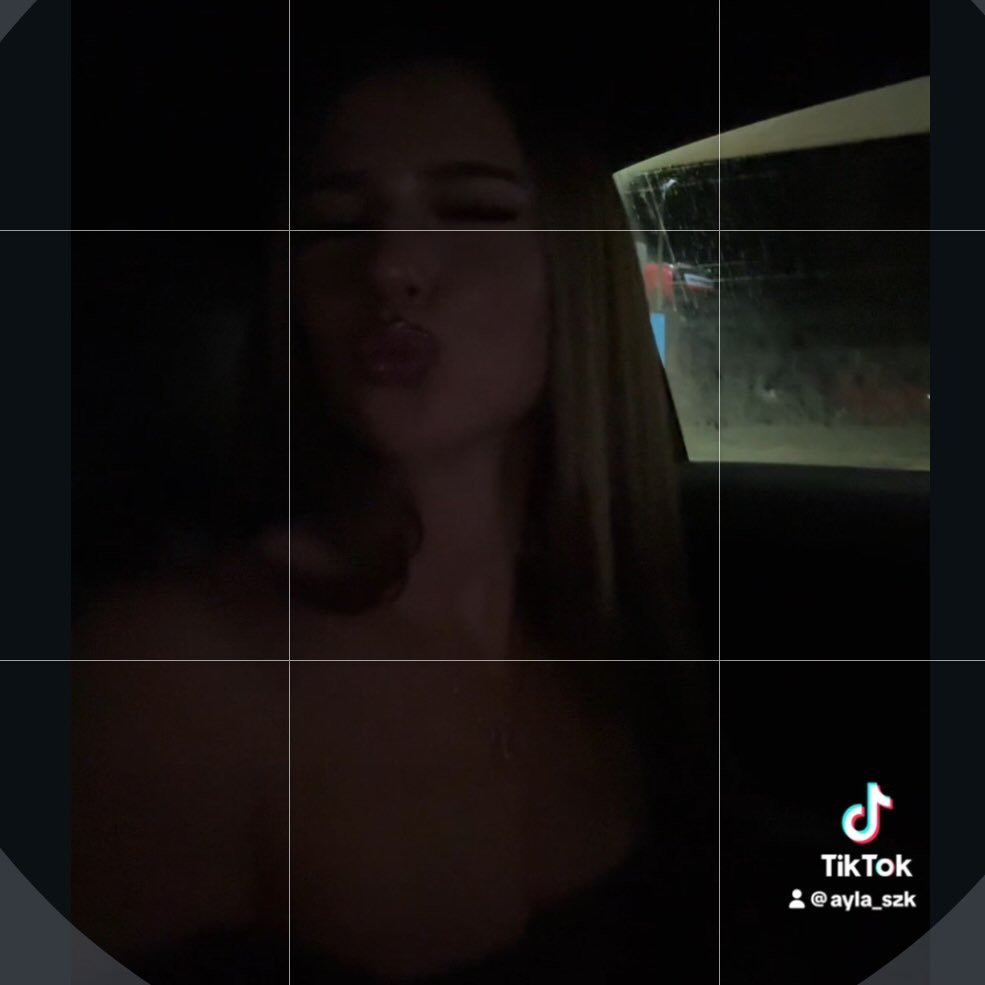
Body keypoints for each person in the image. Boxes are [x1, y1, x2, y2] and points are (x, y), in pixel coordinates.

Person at [71, 36, 715, 985]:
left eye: (473, 209)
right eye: (334, 224)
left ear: (579, 272)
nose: (390, 266)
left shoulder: (616, 635)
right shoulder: (166, 671)